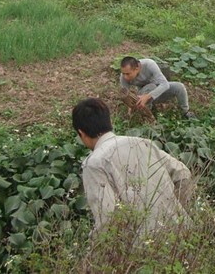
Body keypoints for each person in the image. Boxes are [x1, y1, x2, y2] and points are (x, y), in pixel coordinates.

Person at [72, 98, 193, 235]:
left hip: (144, 247)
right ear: (109, 122)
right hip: (184, 236)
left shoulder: (94, 164)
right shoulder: (143, 143)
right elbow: (182, 172)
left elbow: (107, 218)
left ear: (81, 133)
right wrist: (173, 207)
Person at [119, 56, 195, 119]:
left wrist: (148, 96)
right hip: (141, 99)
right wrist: (130, 108)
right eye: (123, 73)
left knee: (179, 87)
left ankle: (185, 112)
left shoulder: (149, 64)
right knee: (150, 86)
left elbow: (165, 84)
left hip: (156, 92)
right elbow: (126, 96)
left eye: (128, 74)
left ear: (137, 68)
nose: (125, 77)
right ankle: (146, 116)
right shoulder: (123, 77)